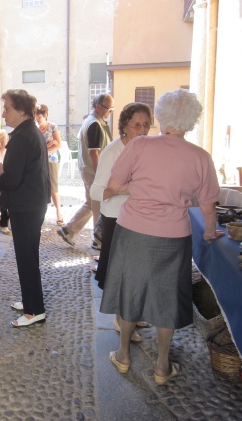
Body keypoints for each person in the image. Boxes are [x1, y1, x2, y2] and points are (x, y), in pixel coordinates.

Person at [100, 89, 222, 384]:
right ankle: (162, 366)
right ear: (191, 121)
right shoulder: (201, 157)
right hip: (174, 235)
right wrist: (209, 232)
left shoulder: (140, 145)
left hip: (133, 231)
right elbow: (208, 205)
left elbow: (115, 184)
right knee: (167, 297)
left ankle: (124, 355)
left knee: (130, 291)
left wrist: (135, 187)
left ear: (162, 117)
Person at [90, 102, 153, 343]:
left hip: (141, 217)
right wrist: (126, 189)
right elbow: (96, 191)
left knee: (137, 270)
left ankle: (131, 315)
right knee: (123, 273)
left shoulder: (147, 150)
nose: (143, 129)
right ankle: (120, 318)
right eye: (136, 125)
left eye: (146, 124)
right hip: (118, 219)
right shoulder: (113, 152)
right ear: (124, 127)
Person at [0, 89, 51, 327]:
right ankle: (30, 300)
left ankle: (35, 310)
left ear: (21, 110)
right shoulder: (29, 132)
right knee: (28, 256)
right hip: (32, 202)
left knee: (27, 257)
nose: (3, 113)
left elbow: (12, 179)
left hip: (27, 204)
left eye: (7, 108)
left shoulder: (22, 137)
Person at [57, 93, 114, 248]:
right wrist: (100, 175)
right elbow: (93, 152)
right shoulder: (94, 124)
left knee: (91, 203)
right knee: (97, 206)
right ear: (98, 106)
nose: (110, 111)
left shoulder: (94, 122)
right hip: (93, 171)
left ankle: (69, 230)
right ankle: (98, 240)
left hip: (88, 169)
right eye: (108, 108)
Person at [35, 104, 64, 226]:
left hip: (51, 160)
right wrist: (47, 146)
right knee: (39, 186)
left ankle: (59, 213)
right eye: (36, 116)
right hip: (38, 161)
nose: (37, 119)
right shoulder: (35, 128)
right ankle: (39, 214)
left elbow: (58, 145)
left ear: (45, 115)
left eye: (39, 116)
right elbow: (35, 148)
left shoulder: (52, 126)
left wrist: (44, 148)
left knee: (53, 187)